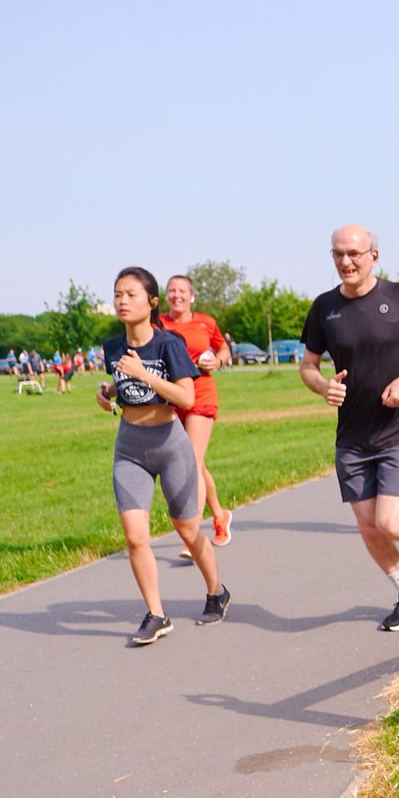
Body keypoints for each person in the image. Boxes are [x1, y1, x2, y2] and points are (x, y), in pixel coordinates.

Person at [299, 223, 399, 632]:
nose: (345, 262)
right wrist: (323, 386)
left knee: (388, 521)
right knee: (368, 526)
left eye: (354, 253)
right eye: (338, 254)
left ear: (374, 255)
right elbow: (309, 364)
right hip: (352, 435)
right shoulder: (323, 308)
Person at [96, 266, 230, 646]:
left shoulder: (168, 343)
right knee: (135, 537)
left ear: (152, 302)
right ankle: (156, 614)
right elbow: (122, 386)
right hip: (130, 447)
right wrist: (107, 394)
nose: (122, 301)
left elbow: (186, 397)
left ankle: (216, 590)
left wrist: (144, 374)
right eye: (117, 294)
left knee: (187, 529)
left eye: (131, 294)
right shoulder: (112, 347)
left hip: (171, 445)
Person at [160, 275, 234, 551]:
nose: (176, 295)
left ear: (191, 296)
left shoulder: (206, 322)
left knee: (190, 462)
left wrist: (218, 359)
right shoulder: (159, 325)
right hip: (171, 397)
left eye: (182, 291)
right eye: (171, 290)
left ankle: (193, 537)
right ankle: (220, 515)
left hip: (201, 393)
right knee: (197, 462)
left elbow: (223, 348)